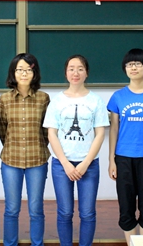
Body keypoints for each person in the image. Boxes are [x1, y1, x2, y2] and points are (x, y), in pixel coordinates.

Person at [43, 54, 109, 246]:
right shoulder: (57, 101)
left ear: (86, 73)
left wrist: (85, 163)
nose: (76, 73)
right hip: (61, 164)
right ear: (66, 73)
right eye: (71, 68)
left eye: (80, 68)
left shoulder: (96, 101)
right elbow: (52, 134)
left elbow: (99, 134)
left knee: (87, 213)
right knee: (64, 212)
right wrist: (65, 163)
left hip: (89, 164)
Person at [107, 48, 143, 245]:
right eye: (130, 64)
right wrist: (111, 160)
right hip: (123, 158)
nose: (133, 68)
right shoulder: (118, 97)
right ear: (125, 68)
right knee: (126, 207)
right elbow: (114, 130)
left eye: (138, 64)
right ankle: (131, 243)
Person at [0, 53, 50, 246]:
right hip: (11, 160)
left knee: (36, 209)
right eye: (20, 69)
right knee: (12, 209)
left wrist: (38, 146)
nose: (24, 73)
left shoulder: (44, 98)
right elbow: (2, 129)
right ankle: (10, 243)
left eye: (28, 70)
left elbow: (47, 130)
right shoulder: (4, 99)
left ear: (35, 73)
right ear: (13, 73)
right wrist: (14, 146)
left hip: (37, 160)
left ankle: (37, 243)